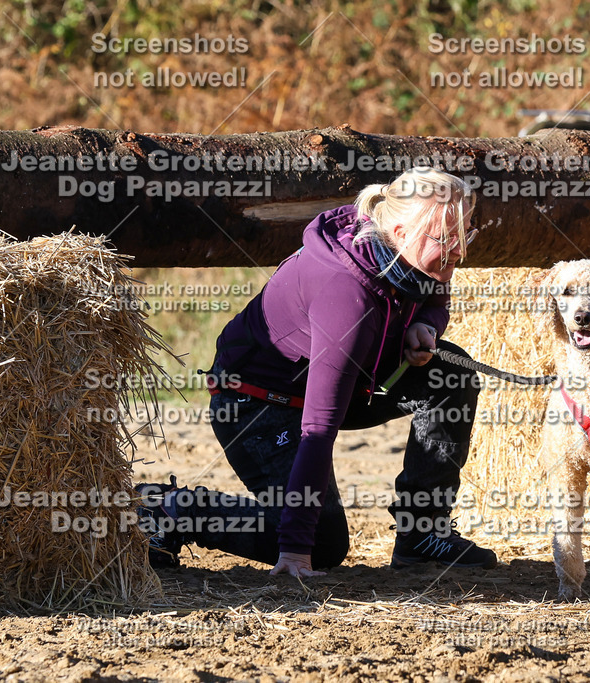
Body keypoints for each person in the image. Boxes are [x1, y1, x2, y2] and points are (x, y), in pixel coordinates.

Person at [136, 168, 496, 576]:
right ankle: (173, 510)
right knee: (323, 544)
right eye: (445, 238)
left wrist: (426, 325)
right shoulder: (347, 296)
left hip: (346, 381)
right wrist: (292, 551)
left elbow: (433, 292)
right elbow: (318, 428)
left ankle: (422, 534)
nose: (460, 250)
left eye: (465, 233)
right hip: (257, 405)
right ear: (398, 230)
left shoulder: (403, 250)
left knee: (451, 375)